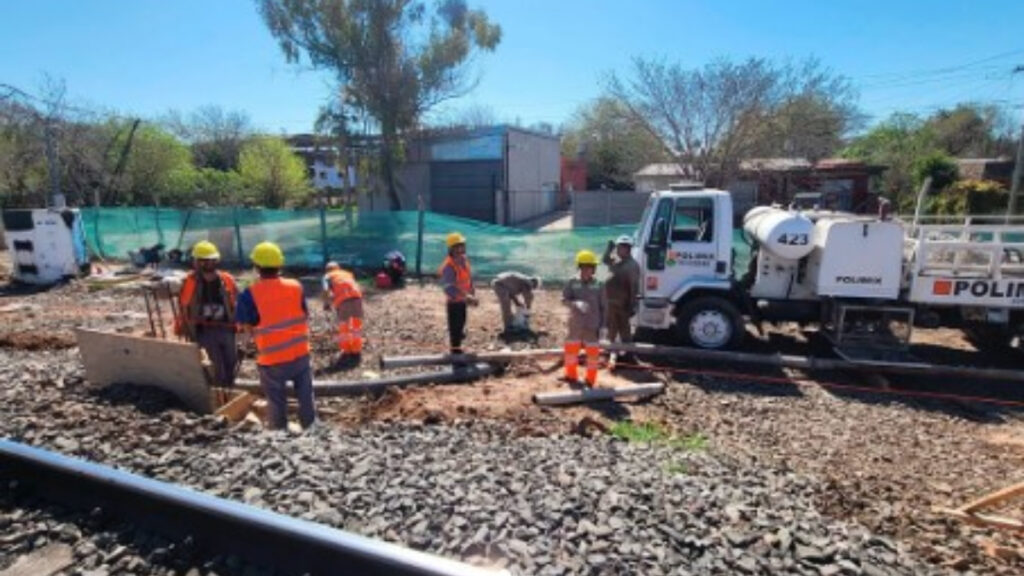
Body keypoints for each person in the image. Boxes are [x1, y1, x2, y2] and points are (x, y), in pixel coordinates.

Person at [235, 242, 316, 430]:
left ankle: (279, 434)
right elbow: (304, 314)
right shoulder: (296, 286)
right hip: (300, 353)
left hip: (273, 359)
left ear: (256, 267)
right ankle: (311, 427)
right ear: (280, 265)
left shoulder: (250, 294)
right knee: (306, 395)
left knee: (276, 400)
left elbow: (245, 327)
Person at [175, 241, 238, 387]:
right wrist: (183, 327)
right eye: (203, 260)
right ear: (197, 262)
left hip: (226, 328)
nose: (207, 263)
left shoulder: (227, 279)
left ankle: (229, 388)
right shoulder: (189, 281)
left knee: (231, 363)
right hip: (204, 330)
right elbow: (183, 305)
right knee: (214, 366)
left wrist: (240, 327)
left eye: (210, 260)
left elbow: (235, 302)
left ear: (216, 261)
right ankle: (219, 392)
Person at [562, 250, 606, 387]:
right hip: (575, 324)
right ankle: (571, 375)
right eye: (585, 266)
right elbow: (563, 300)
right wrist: (575, 303)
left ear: (594, 268)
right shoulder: (572, 282)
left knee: (592, 354)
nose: (588, 269)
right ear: (579, 267)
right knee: (571, 351)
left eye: (590, 266)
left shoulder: (599, 285)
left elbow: (605, 307)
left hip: (592, 326)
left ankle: (590, 380)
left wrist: (604, 326)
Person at [439, 232, 477, 354]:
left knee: (461, 324)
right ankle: (455, 354)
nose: (461, 249)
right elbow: (448, 288)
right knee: (455, 329)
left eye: (462, 246)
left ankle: (458, 346)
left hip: (462, 301)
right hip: (454, 303)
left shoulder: (464, 260)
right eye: (457, 246)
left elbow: (467, 278)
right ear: (451, 249)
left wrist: (472, 291)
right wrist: (466, 297)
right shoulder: (449, 266)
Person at [321, 261, 364, 363]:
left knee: (344, 326)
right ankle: (356, 349)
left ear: (327, 270)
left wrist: (326, 304)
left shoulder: (327, 276)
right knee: (356, 325)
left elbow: (326, 290)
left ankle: (346, 350)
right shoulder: (347, 274)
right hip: (357, 297)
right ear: (338, 268)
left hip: (343, 300)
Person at [603, 234, 641, 345]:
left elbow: (634, 287)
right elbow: (605, 260)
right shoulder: (616, 262)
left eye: (623, 247)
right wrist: (609, 248)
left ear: (628, 249)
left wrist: (632, 306)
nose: (620, 249)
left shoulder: (632, 265)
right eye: (619, 247)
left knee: (625, 332)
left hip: (623, 305)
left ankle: (628, 354)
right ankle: (610, 353)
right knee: (611, 331)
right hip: (611, 304)